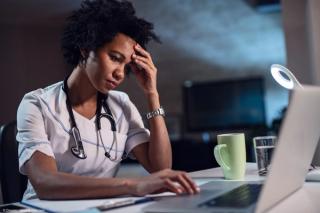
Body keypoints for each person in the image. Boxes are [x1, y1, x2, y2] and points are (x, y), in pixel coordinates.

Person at [16, 0, 199, 200]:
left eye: (126, 65)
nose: (120, 73)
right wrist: (132, 185)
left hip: (99, 208)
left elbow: (160, 168)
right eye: (114, 58)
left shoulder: (121, 104)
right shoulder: (36, 104)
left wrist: (152, 94)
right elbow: (45, 183)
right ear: (86, 49)